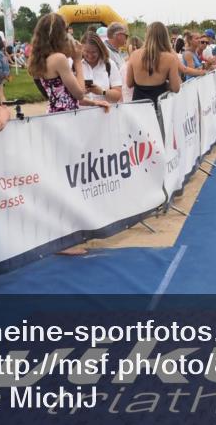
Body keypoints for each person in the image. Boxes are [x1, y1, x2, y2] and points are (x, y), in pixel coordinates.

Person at [28, 14, 109, 255]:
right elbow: (77, 90)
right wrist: (78, 62)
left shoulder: (38, 60)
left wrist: (94, 104)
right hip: (65, 123)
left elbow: (59, 96)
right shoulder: (61, 59)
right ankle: (62, 239)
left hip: (55, 116)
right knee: (67, 181)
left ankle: (62, 235)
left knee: (62, 179)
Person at [126, 21, 181, 110]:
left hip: (138, 106)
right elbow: (176, 88)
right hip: (159, 107)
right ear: (165, 36)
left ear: (147, 35)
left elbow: (129, 83)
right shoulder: (170, 58)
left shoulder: (134, 55)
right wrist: (165, 83)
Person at [80, 31, 124, 103]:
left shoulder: (109, 64)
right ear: (81, 49)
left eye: (94, 52)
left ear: (100, 49)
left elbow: (118, 95)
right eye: (86, 52)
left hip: (105, 112)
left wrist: (102, 91)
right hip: (81, 113)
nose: (90, 56)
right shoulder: (75, 65)